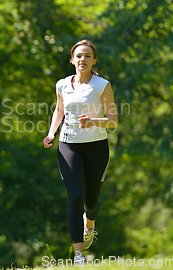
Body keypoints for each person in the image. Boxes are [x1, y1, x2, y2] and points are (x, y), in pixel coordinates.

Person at [43, 39, 118, 265]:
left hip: (96, 147)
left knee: (91, 201)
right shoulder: (62, 85)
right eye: (79, 56)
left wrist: (94, 121)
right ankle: (78, 255)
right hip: (69, 145)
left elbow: (113, 122)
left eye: (87, 56)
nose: (82, 59)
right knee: (75, 197)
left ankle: (90, 224)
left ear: (94, 60)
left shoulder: (102, 85)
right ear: (72, 60)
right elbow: (59, 110)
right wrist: (51, 133)